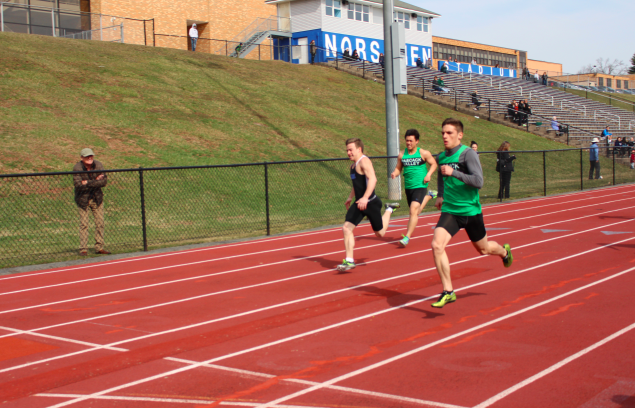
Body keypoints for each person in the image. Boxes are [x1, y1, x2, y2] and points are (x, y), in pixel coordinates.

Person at [431, 119, 513, 308]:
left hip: (471, 211)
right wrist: (441, 195)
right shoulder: (442, 156)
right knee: (436, 245)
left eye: (449, 133)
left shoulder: (468, 154)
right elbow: (441, 175)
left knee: (483, 249)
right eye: (443, 132)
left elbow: (478, 181)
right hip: (451, 210)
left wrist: (454, 173)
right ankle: (448, 291)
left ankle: (503, 251)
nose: (444, 136)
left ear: (460, 135)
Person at [337, 138, 400, 271]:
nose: (348, 152)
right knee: (347, 228)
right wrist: (350, 197)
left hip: (370, 203)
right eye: (347, 150)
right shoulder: (352, 166)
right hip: (359, 203)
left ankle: (389, 209)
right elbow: (357, 184)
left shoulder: (364, 161)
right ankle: (349, 260)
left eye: (350, 150)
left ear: (359, 149)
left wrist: (365, 198)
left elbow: (373, 179)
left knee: (380, 233)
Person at [390, 129, 438, 247]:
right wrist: (395, 173)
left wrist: (428, 175)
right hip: (409, 187)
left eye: (411, 141)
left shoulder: (423, 153)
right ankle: (429, 197)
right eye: (407, 141)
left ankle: (407, 237)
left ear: (417, 141)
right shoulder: (402, 154)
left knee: (413, 210)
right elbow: (398, 168)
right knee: (415, 212)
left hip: (421, 185)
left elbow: (434, 164)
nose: (408, 143)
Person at [73, 148, 110, 256]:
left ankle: (99, 247)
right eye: (87, 156)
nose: (90, 158)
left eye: (91, 156)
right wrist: (95, 181)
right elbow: (78, 185)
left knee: (100, 223)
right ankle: (83, 249)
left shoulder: (98, 165)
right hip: (83, 199)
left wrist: (87, 182)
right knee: (84, 224)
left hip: (97, 198)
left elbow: (104, 181)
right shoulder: (77, 168)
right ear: (82, 158)